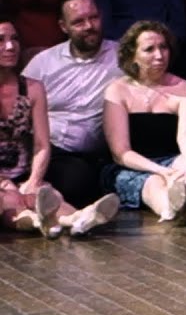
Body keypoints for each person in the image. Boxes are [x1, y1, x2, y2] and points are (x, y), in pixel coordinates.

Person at [0, 17, 119, 237]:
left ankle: (79, 219)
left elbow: (42, 144)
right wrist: (6, 184)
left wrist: (33, 181)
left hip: (24, 173)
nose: (10, 46)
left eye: (14, 39)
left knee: (46, 194)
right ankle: (38, 222)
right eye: (1, 40)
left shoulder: (32, 87)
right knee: (8, 201)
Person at [102, 21, 186, 225]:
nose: (159, 55)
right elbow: (120, 152)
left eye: (163, 47)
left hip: (173, 162)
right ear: (133, 55)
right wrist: (162, 172)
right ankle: (181, 209)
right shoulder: (117, 91)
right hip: (133, 166)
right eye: (150, 49)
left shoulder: (184, 88)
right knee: (155, 183)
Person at [20, 0, 123, 208]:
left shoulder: (122, 57)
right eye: (78, 22)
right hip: (54, 150)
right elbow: (18, 105)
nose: (89, 26)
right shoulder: (44, 62)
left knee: (93, 180)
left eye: (93, 17)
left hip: (102, 152)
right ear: (63, 27)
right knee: (76, 181)